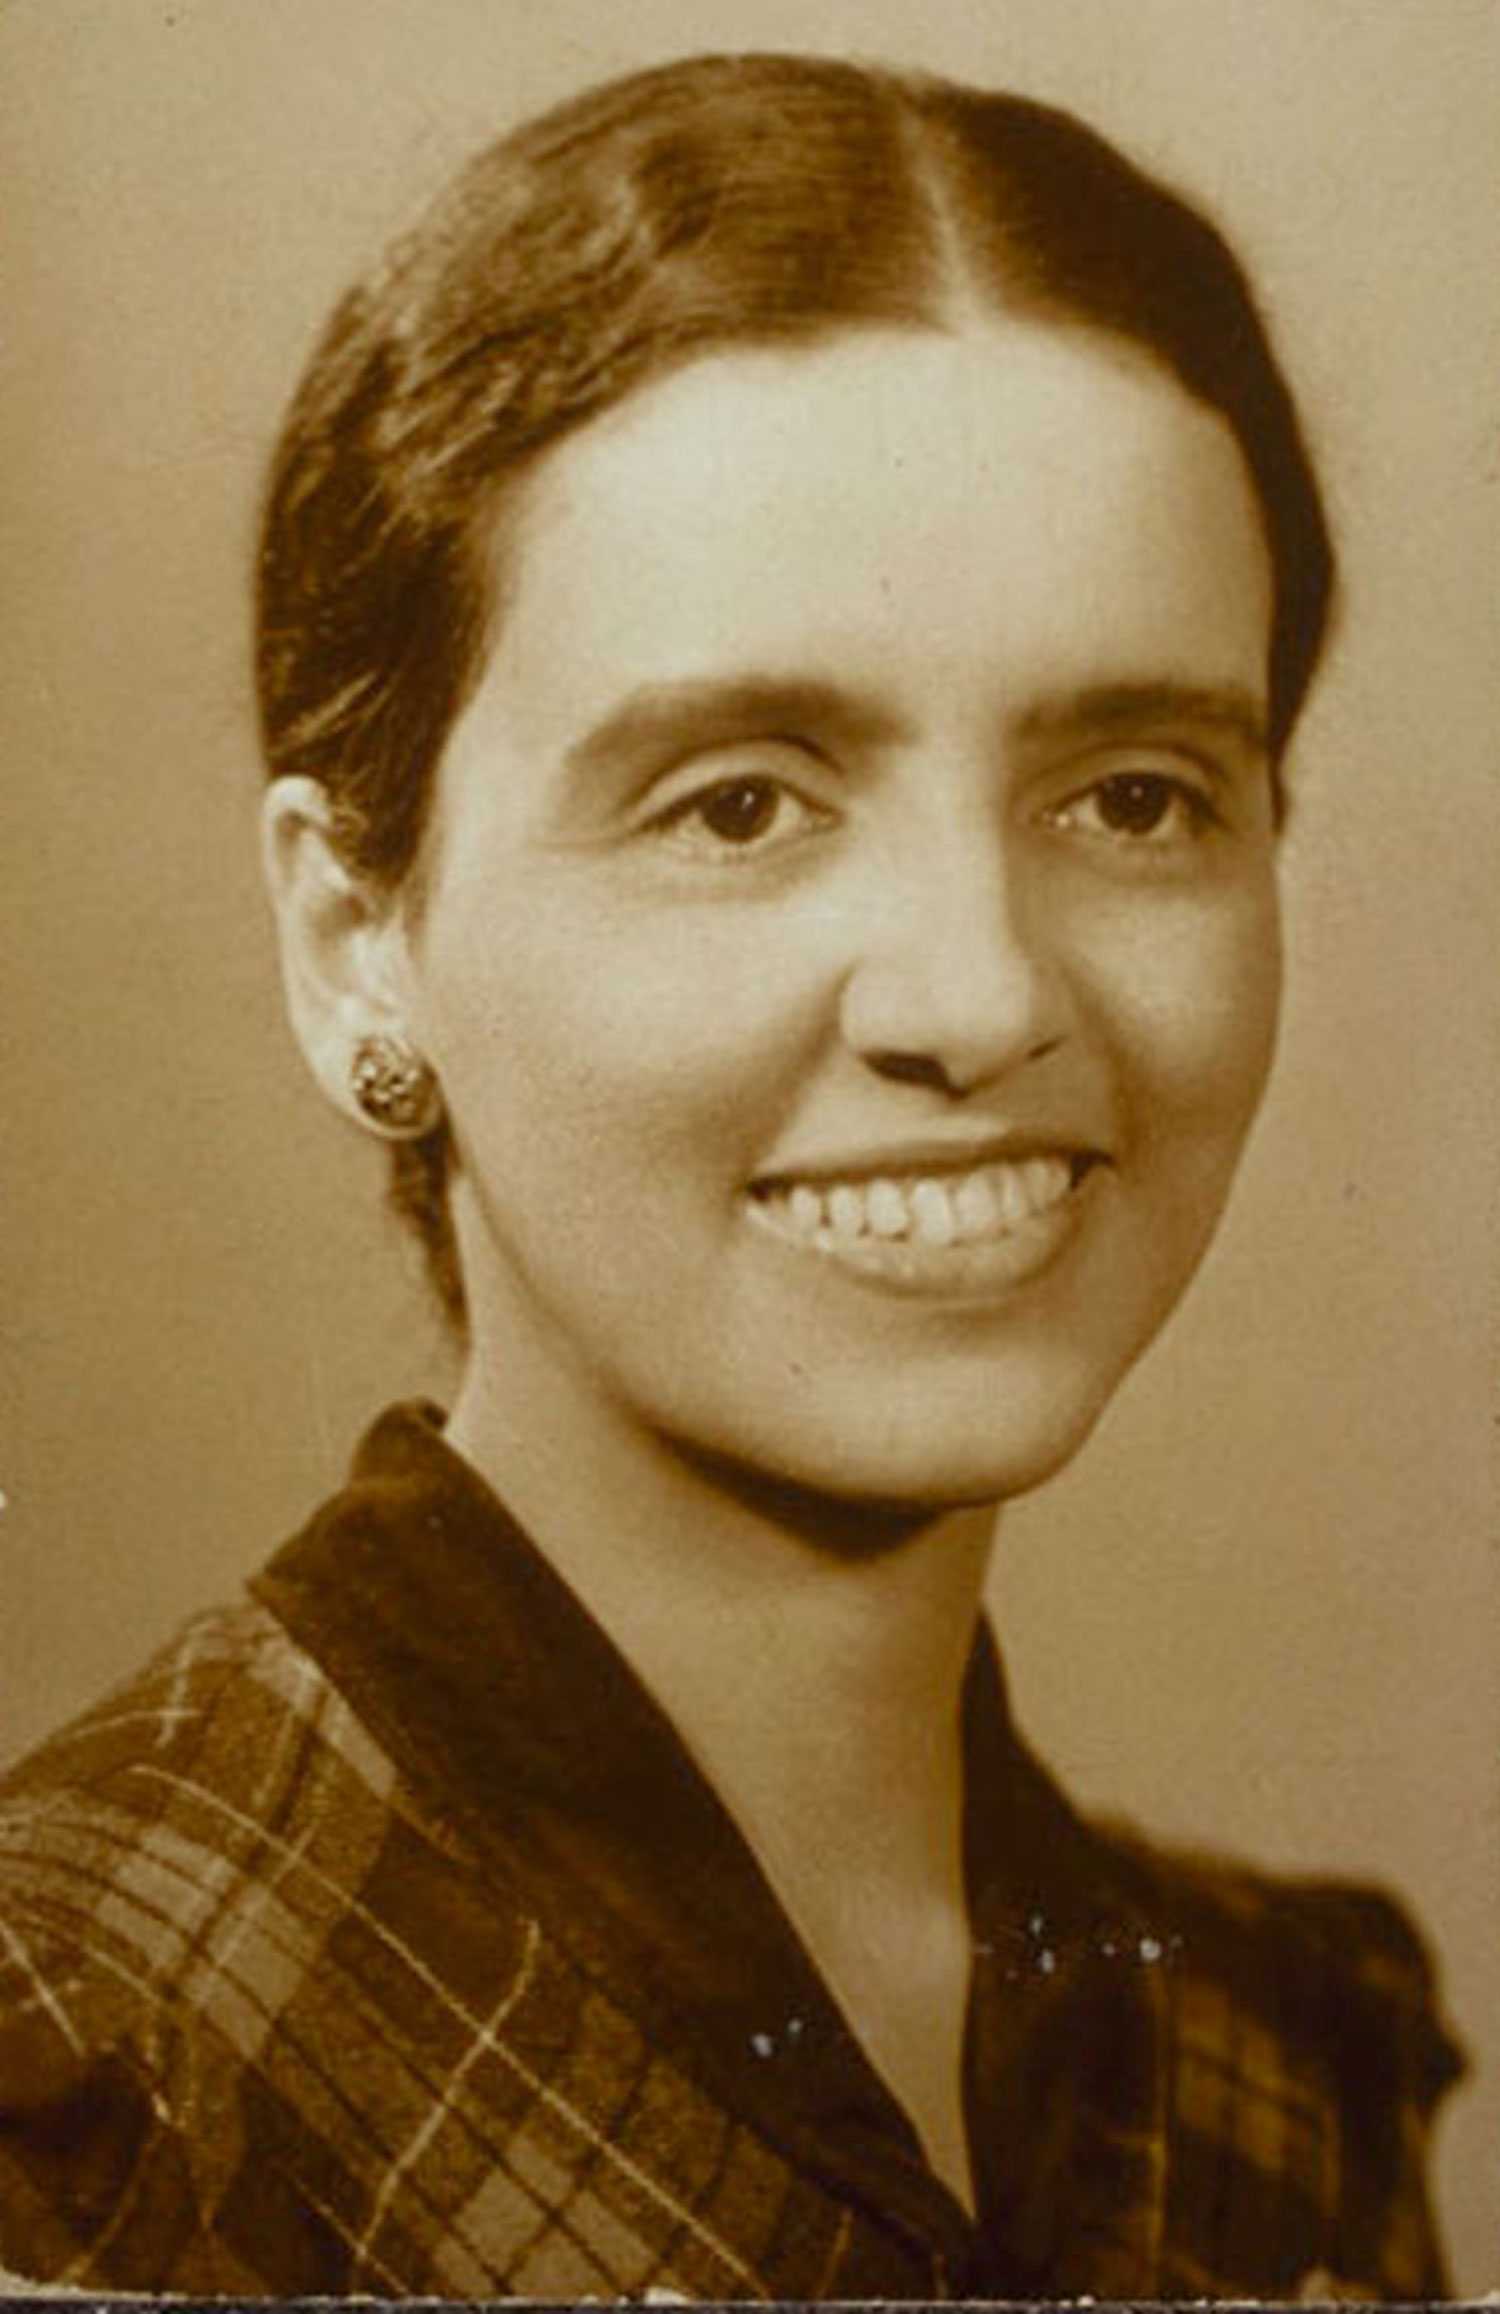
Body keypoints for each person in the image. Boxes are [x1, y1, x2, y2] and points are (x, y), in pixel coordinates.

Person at [0, 51, 1462, 2299]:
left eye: (1139, 795)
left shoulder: (1276, 2071)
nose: (978, 990)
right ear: (352, 931)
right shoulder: (89, 2062)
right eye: (742, 803)